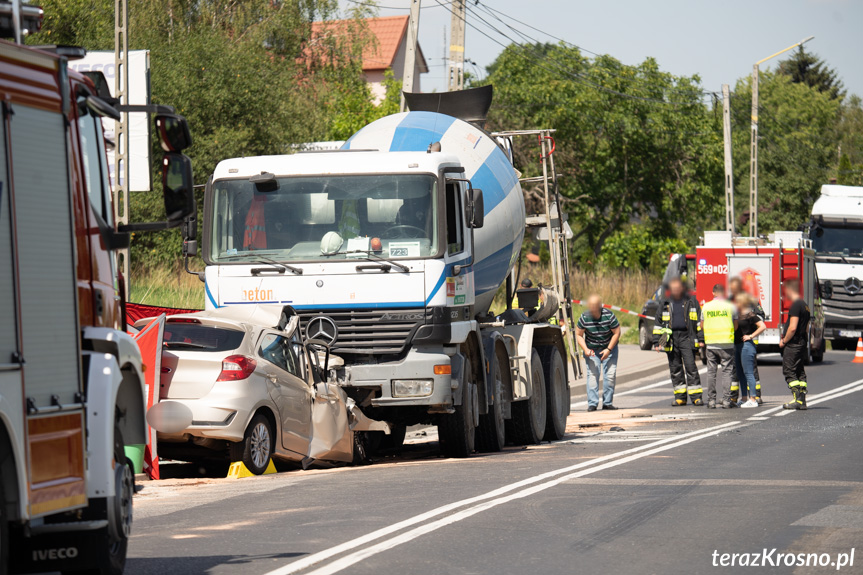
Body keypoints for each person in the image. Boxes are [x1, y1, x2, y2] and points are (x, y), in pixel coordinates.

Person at [653, 277, 704, 406]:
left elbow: (699, 322)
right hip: (670, 339)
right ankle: (680, 397)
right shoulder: (665, 303)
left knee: (691, 367)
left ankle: (696, 397)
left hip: (687, 337)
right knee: (675, 368)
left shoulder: (691, 301)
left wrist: (701, 339)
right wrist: (656, 342)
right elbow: (658, 323)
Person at [576, 295, 622, 411]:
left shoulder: (608, 315)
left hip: (609, 348)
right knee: (592, 376)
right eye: (591, 307)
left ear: (600, 307)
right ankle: (592, 403)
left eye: (595, 308)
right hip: (592, 350)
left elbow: (617, 332)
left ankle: (607, 403)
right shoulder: (584, 317)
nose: (592, 310)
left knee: (610, 375)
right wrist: (586, 349)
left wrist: (609, 349)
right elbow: (578, 334)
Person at [728, 276, 766, 404]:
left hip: (748, 343)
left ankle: (754, 397)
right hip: (736, 343)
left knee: (750, 371)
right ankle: (741, 397)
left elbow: (761, 319)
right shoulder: (730, 301)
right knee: (738, 371)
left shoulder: (751, 303)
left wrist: (751, 335)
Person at [701, 283, 739, 409]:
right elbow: (736, 324)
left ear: (713, 293)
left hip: (711, 343)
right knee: (727, 372)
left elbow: (701, 325)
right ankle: (727, 401)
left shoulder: (706, 306)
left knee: (711, 372)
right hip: (726, 343)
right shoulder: (731, 306)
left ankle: (711, 401)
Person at [780, 279, 811, 410]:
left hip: (793, 343)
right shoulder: (805, 305)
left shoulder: (795, 305)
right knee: (799, 371)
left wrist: (784, 341)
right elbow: (807, 327)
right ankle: (802, 399)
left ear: (789, 290)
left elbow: (792, 328)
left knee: (789, 370)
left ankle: (797, 399)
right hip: (802, 341)